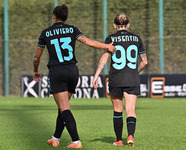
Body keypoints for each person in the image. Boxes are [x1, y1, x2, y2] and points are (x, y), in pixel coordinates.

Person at [33, 4, 116, 149]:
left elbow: (36, 58)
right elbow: (89, 42)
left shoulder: (46, 33)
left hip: (57, 71)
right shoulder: (72, 29)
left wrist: (35, 70)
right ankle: (55, 138)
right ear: (66, 17)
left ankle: (76, 141)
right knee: (62, 108)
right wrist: (106, 46)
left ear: (53, 16)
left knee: (64, 108)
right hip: (72, 70)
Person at [92, 13, 148, 147]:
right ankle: (130, 135)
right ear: (128, 25)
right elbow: (144, 62)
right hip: (131, 79)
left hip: (116, 78)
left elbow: (104, 60)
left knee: (118, 110)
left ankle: (119, 140)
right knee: (131, 110)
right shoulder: (136, 38)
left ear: (114, 25)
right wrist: (135, 72)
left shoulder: (110, 38)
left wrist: (96, 75)